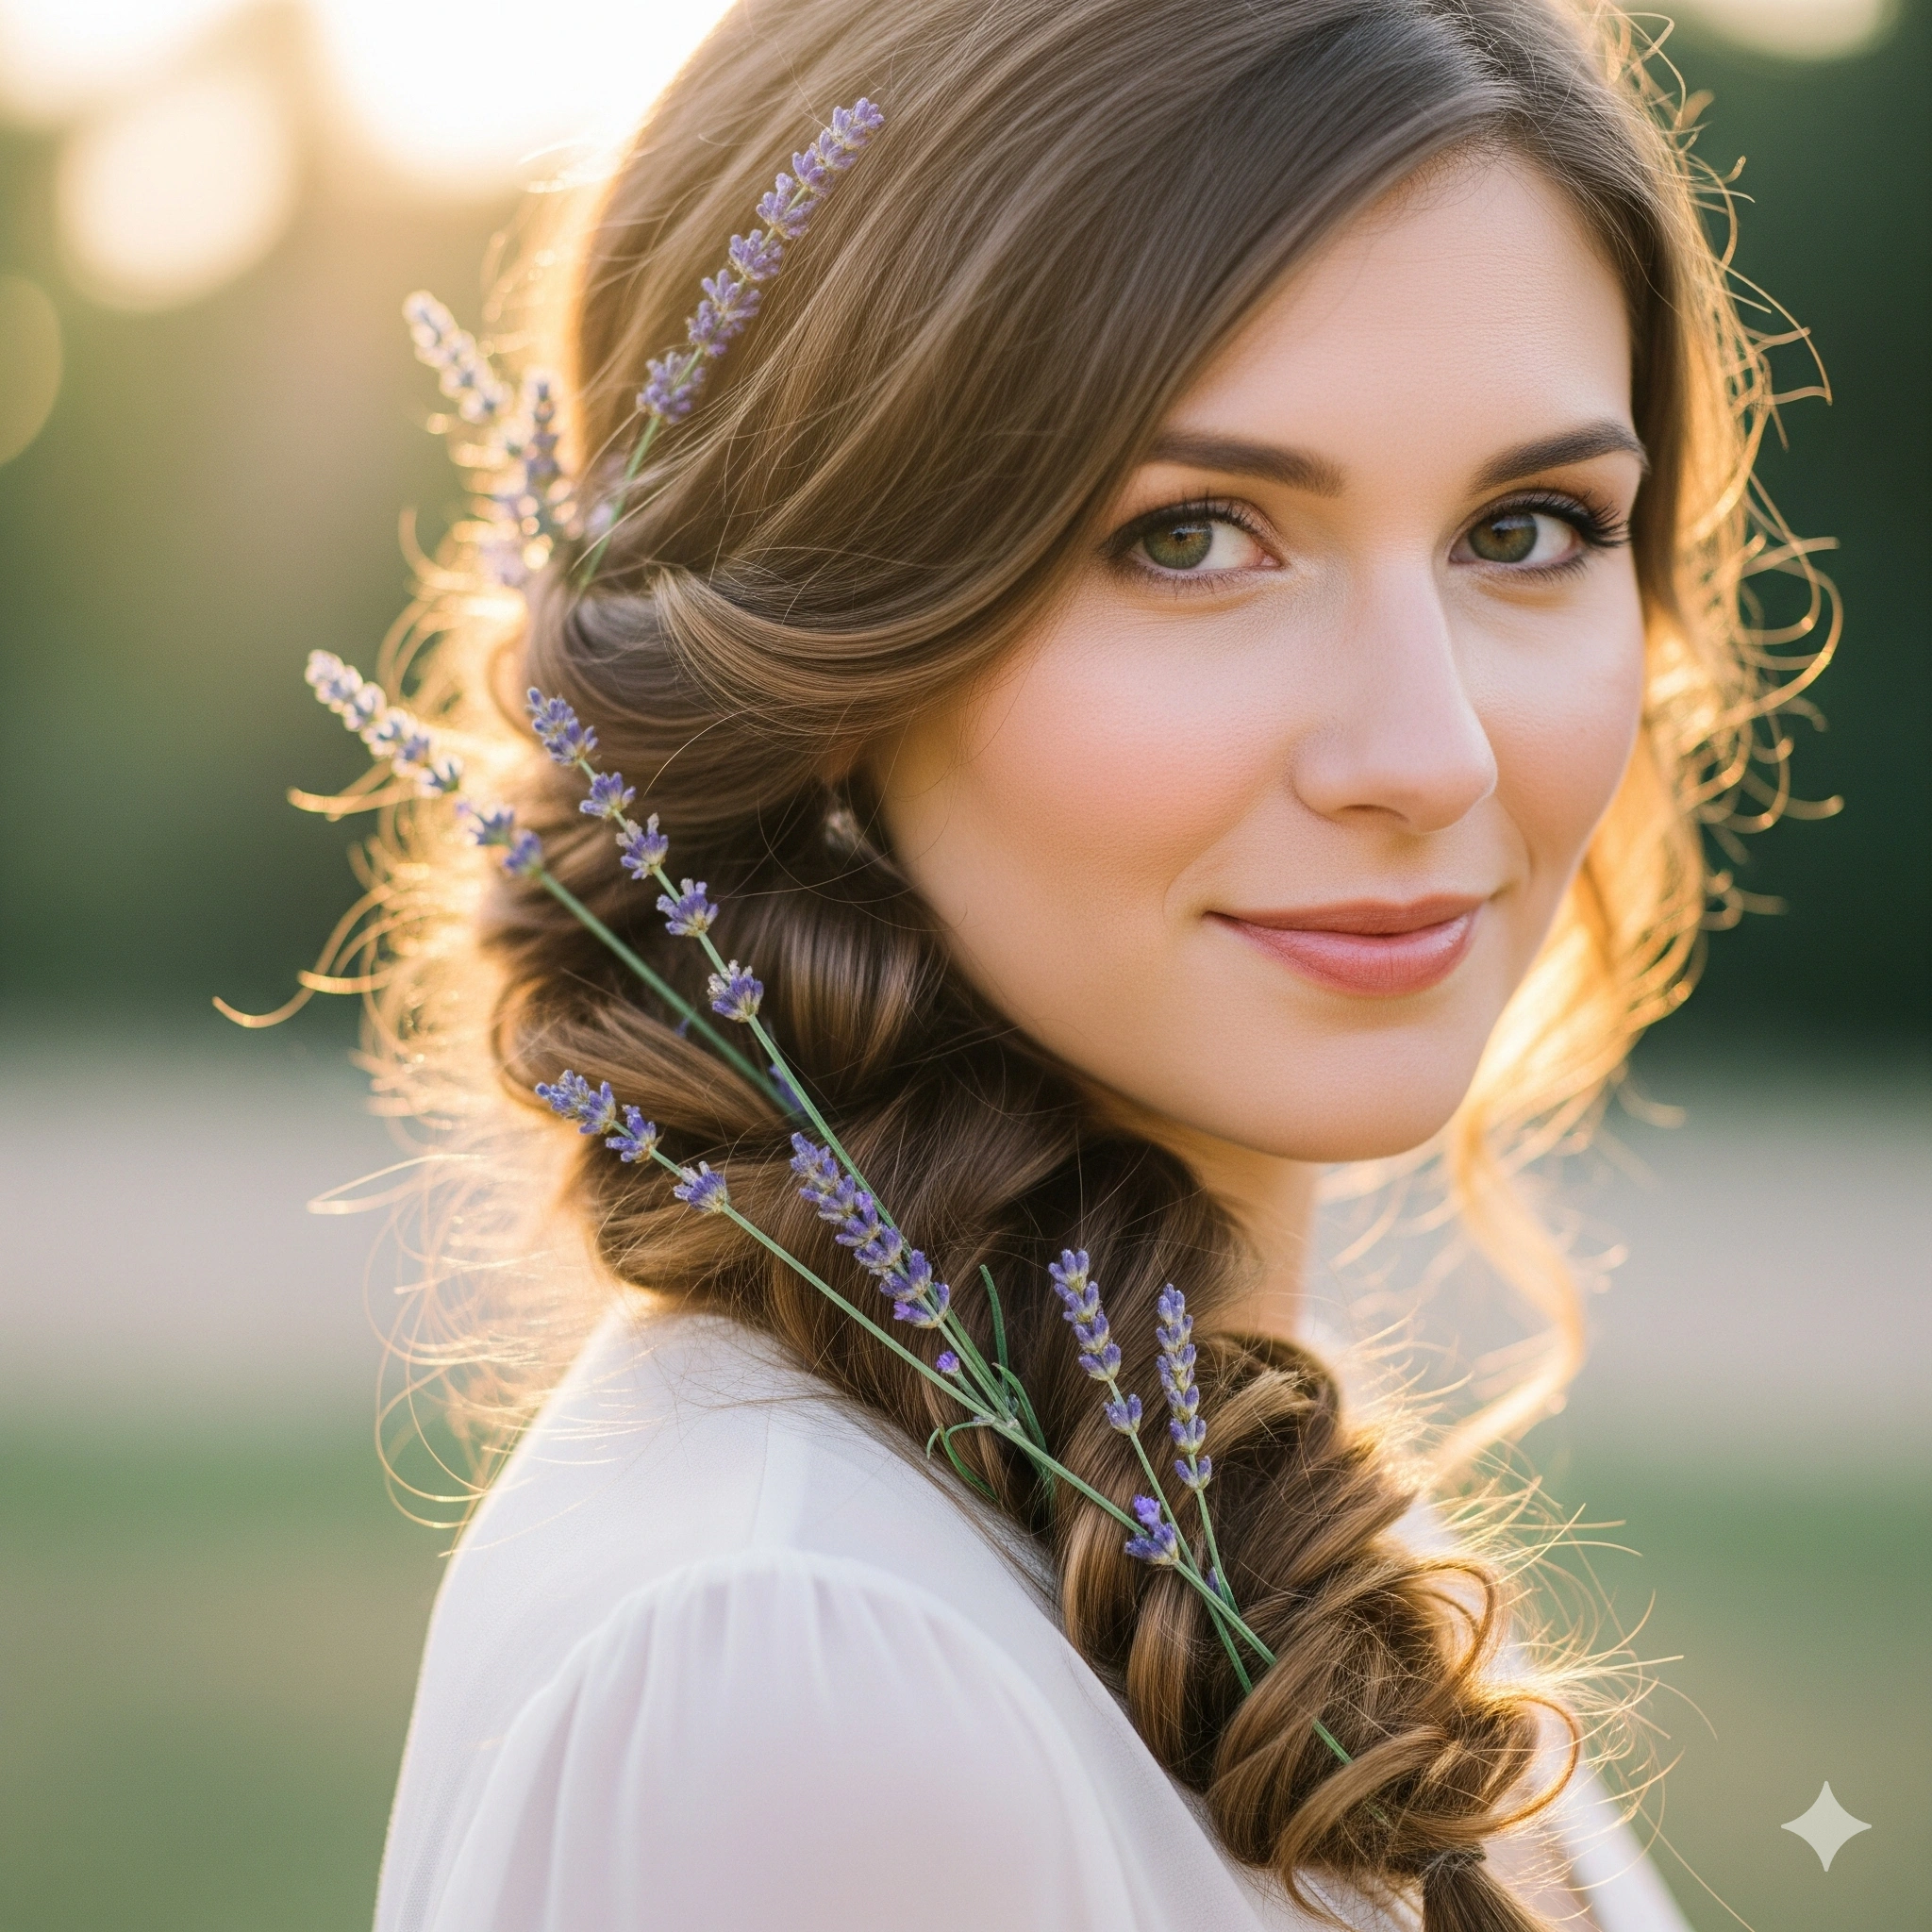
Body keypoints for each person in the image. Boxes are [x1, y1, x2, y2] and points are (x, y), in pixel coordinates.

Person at [345, 0, 1811, 1924]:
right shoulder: (800, 1671)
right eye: (1192, 537)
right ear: (822, 635)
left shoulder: (1218, 1503)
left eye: (1525, 528)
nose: (1429, 751)